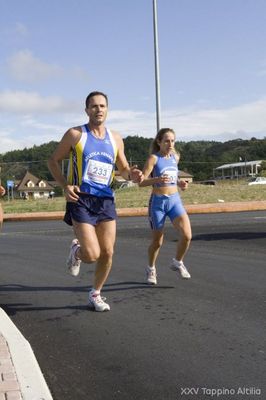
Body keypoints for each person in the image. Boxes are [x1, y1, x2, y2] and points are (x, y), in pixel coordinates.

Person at [48, 91, 143, 312]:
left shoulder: (115, 138)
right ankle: (77, 252)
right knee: (92, 254)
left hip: (106, 200)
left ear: (107, 109)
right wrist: (65, 185)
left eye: (102, 106)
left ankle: (95, 293)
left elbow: (124, 170)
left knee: (108, 252)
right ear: (86, 110)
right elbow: (53, 160)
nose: (98, 109)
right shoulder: (75, 134)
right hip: (80, 199)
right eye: (94, 106)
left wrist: (133, 174)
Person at [139, 128, 192, 285]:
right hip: (158, 203)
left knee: (187, 235)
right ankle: (151, 268)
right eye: (167, 141)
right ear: (159, 142)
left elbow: (173, 178)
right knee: (157, 242)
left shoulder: (175, 157)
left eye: (173, 141)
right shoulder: (153, 159)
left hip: (175, 201)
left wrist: (181, 183)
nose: (170, 144)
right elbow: (141, 183)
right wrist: (157, 179)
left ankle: (177, 262)